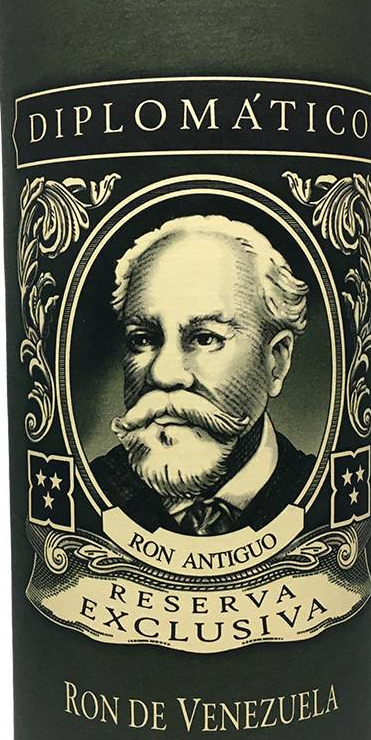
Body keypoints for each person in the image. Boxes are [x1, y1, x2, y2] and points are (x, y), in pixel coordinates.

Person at [91, 214, 315, 535]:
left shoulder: (322, 491)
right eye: (142, 339)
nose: (164, 374)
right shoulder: (87, 491)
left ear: (275, 360)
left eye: (205, 338)